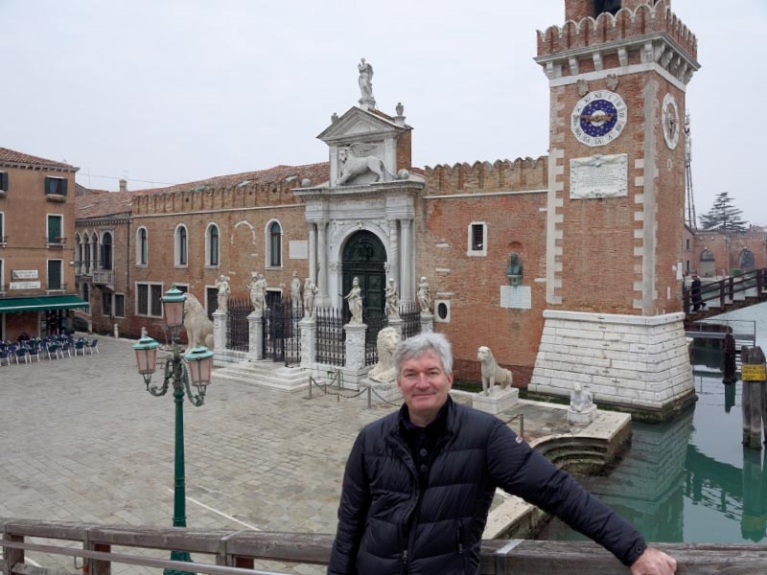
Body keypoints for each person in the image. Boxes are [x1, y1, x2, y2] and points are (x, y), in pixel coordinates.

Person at [327, 332, 678, 575]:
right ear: (399, 382)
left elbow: (556, 490)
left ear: (449, 379)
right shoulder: (371, 440)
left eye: (432, 372)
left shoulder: (485, 436)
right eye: (411, 374)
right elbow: (350, 526)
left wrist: (633, 549)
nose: (422, 383)